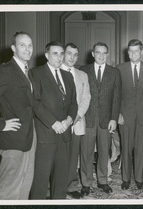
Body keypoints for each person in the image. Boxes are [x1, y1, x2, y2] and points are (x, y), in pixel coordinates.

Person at [30, 41, 78, 199]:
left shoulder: (68, 75)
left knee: (61, 179)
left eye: (61, 53)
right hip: (46, 133)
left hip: (64, 134)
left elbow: (73, 103)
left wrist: (70, 119)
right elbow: (35, 103)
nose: (59, 57)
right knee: (41, 180)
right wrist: (54, 123)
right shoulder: (35, 73)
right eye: (55, 53)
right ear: (46, 55)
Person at [0, 31, 36, 199]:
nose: (27, 49)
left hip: (29, 136)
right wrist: (0, 124)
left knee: (25, 184)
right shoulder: (5, 70)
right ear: (13, 48)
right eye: (22, 45)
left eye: (30, 45)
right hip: (13, 138)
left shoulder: (28, 71)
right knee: (9, 188)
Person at [79, 42, 121, 195]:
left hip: (106, 120)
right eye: (98, 52)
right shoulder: (83, 70)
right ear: (93, 53)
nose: (101, 56)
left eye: (104, 53)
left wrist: (114, 118)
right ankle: (86, 182)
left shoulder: (114, 72)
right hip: (87, 119)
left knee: (104, 152)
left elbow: (117, 97)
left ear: (107, 54)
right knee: (86, 153)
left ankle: (102, 181)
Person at [117, 39, 143, 190]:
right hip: (124, 116)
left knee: (140, 148)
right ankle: (126, 179)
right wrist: (118, 113)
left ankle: (139, 179)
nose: (133, 53)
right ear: (127, 53)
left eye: (136, 51)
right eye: (130, 51)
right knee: (126, 148)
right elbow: (117, 95)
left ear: (141, 52)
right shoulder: (120, 68)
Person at [61, 43, 91, 199]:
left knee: (73, 156)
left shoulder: (82, 75)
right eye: (69, 53)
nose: (72, 57)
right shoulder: (56, 71)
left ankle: (72, 186)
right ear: (63, 54)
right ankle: (56, 186)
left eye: (75, 54)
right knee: (58, 156)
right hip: (58, 124)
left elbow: (86, 98)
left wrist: (77, 116)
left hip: (76, 122)